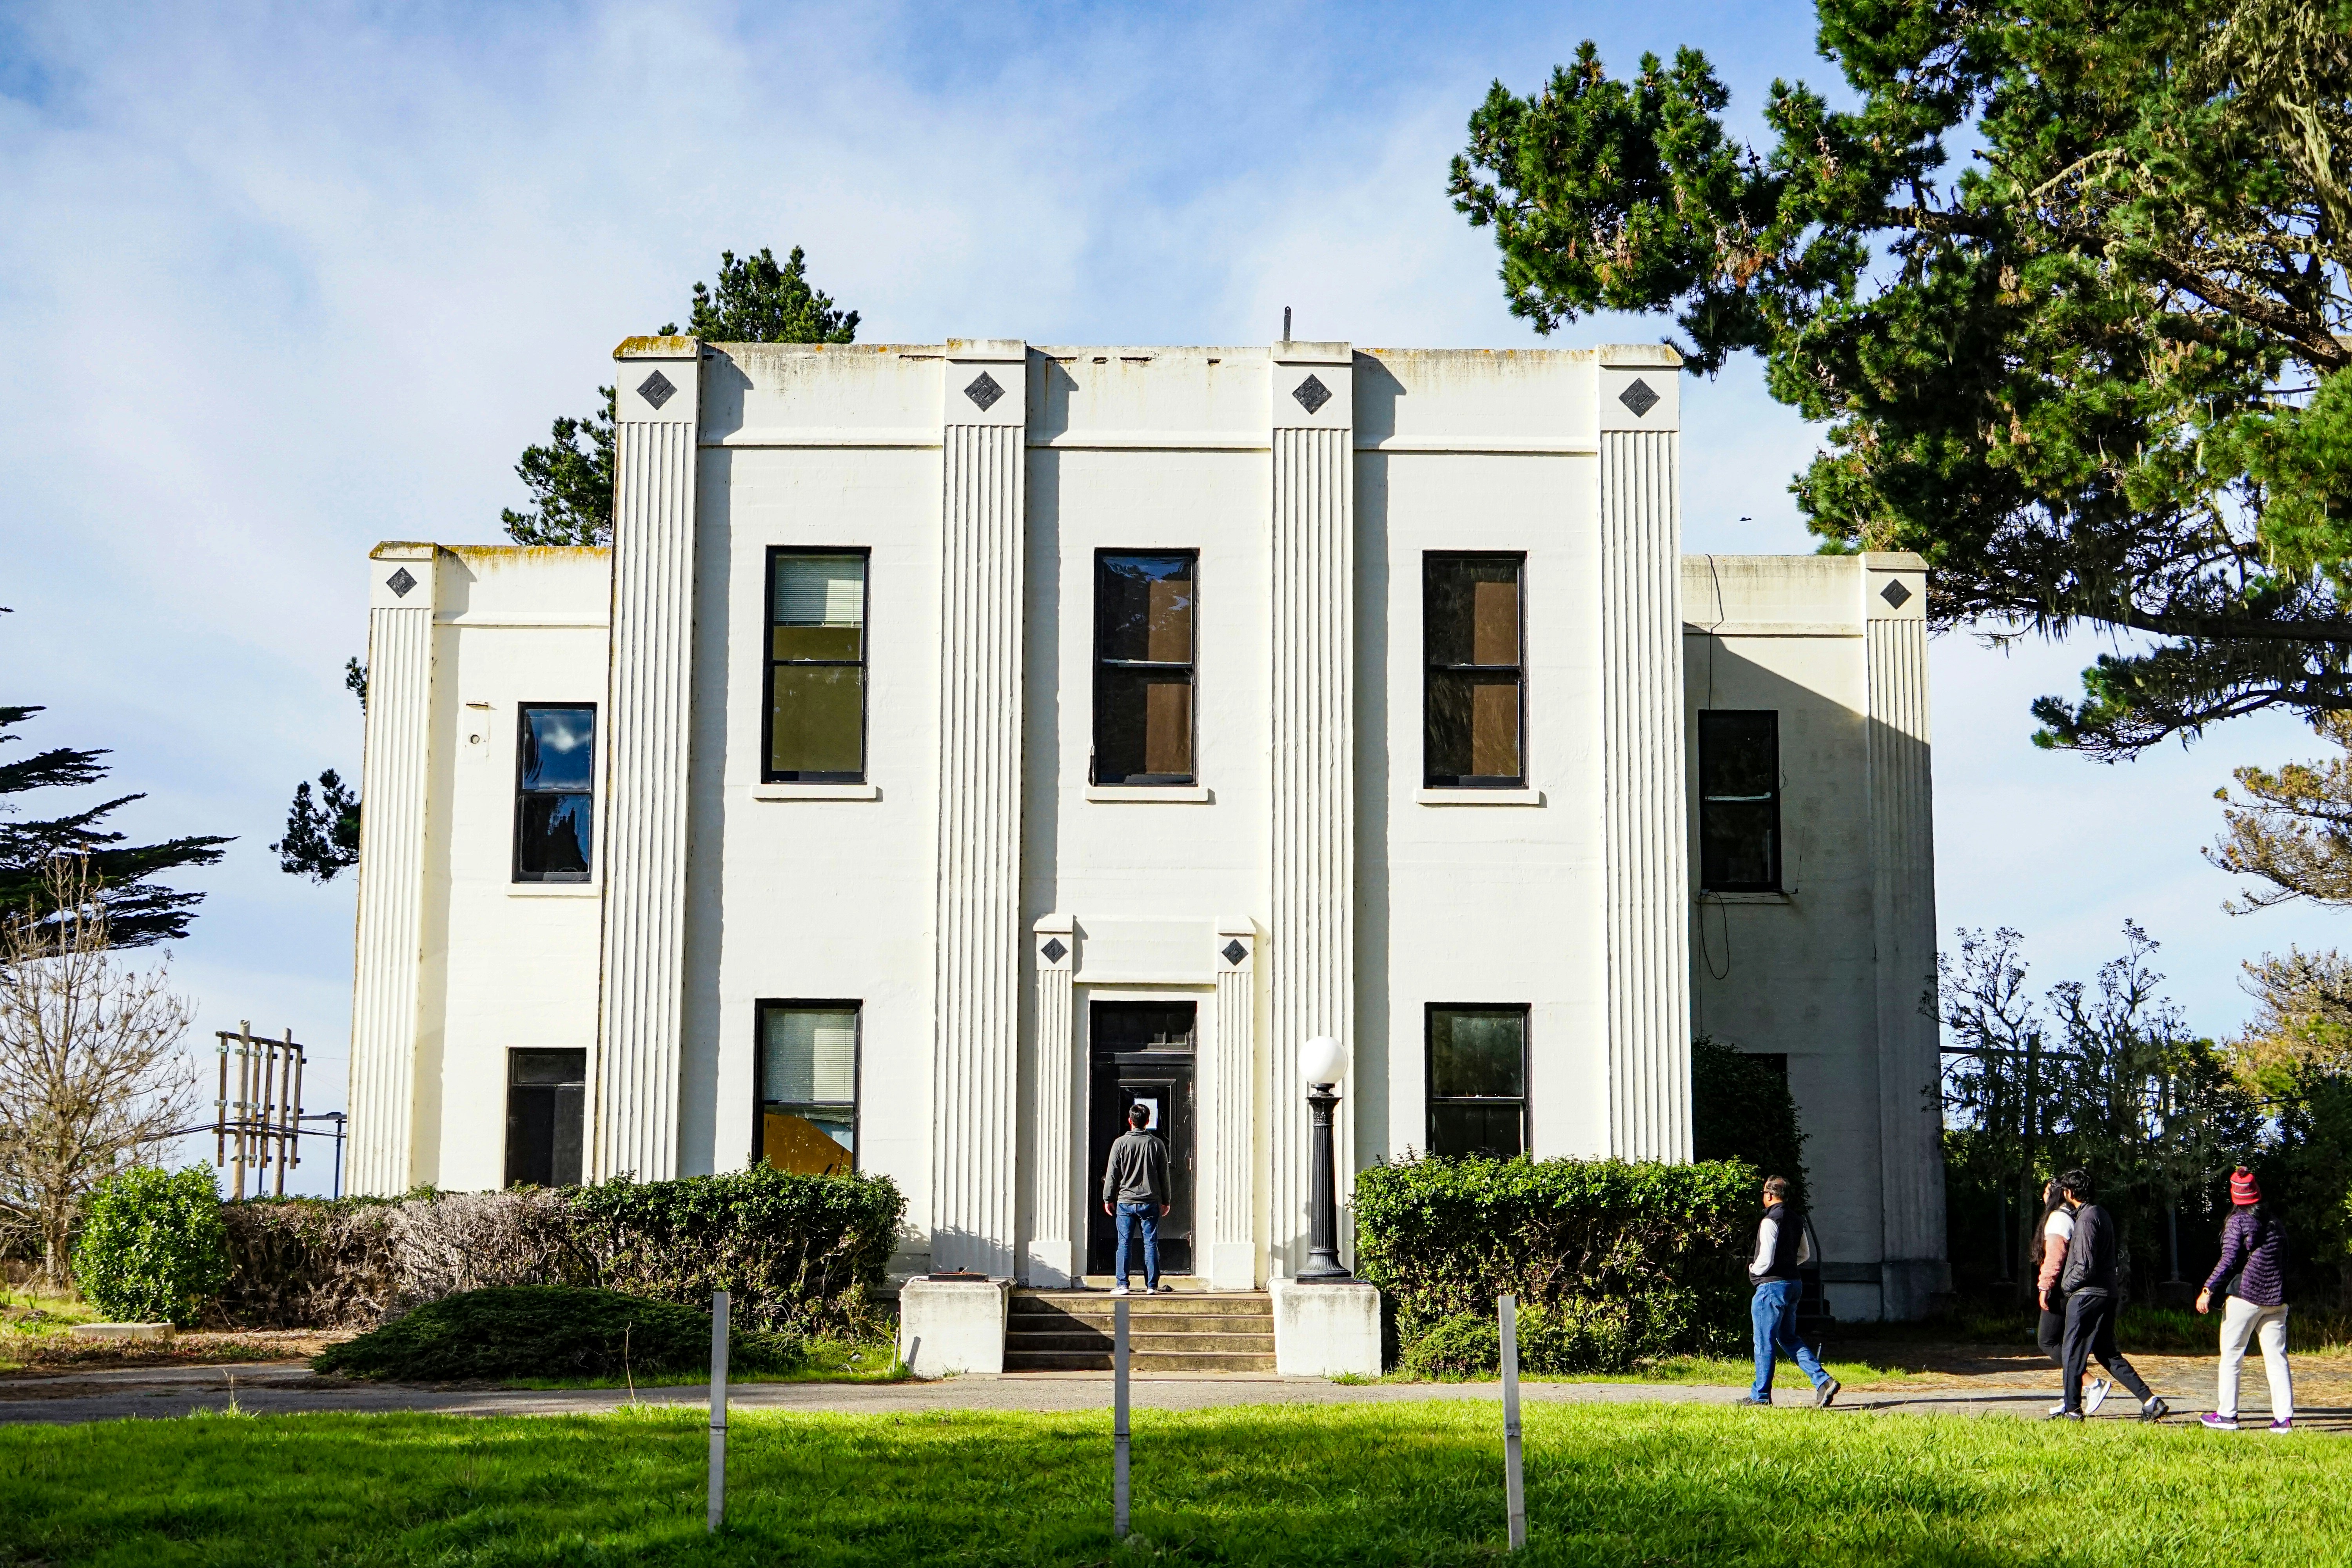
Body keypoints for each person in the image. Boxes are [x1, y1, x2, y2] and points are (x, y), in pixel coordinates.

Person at [2053, 1169, 2168, 1422]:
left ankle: (2073, 1411)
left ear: (2070, 1193)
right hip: (2108, 1293)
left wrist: (2066, 1288)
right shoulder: (2101, 1214)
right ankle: (2151, 1402)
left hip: (2087, 1295)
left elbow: (2084, 1264)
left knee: (2071, 1353)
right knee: (2106, 1352)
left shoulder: (2085, 1220)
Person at [2197, 1167, 2294, 1433]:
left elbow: (2229, 1259)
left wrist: (2208, 1290)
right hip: (2278, 1299)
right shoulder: (2275, 1222)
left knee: (2232, 1355)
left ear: (2235, 1195)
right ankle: (2284, 1420)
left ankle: (2227, 1416)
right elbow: (2285, 1259)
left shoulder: (2238, 1220)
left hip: (2246, 1296)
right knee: (2277, 1358)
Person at [1738, 1175, 1839, 1408]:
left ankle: (1760, 1396)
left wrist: (1754, 1271)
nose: (1763, 1197)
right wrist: (1787, 1265)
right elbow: (1805, 1255)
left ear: (1770, 1195)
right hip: (1794, 1284)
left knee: (1764, 1341)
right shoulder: (1796, 1220)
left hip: (1771, 1286)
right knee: (1788, 1337)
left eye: (1764, 1193)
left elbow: (1766, 1257)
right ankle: (1823, 1381)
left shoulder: (1770, 1220)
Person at [2033, 1178, 2111, 1417]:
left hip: (2060, 1288)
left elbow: (2055, 1256)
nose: (2044, 1197)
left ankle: (2090, 1384)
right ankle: (2072, 1396)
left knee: (2048, 1341)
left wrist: (2045, 1286)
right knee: (2067, 1344)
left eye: (2047, 1193)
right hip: (2074, 1287)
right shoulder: (2073, 1215)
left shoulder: (2058, 1218)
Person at [1100, 1101, 1172, 1296]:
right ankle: (1152, 1285)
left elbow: (1113, 1173)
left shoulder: (1120, 1143)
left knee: (1124, 1243)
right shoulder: (1157, 1144)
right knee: (1151, 1243)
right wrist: (1166, 1201)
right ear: (1148, 1121)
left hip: (1126, 1202)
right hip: (1150, 1202)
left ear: (1130, 1121)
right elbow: (1163, 1176)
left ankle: (1123, 1284)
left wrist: (1108, 1198)